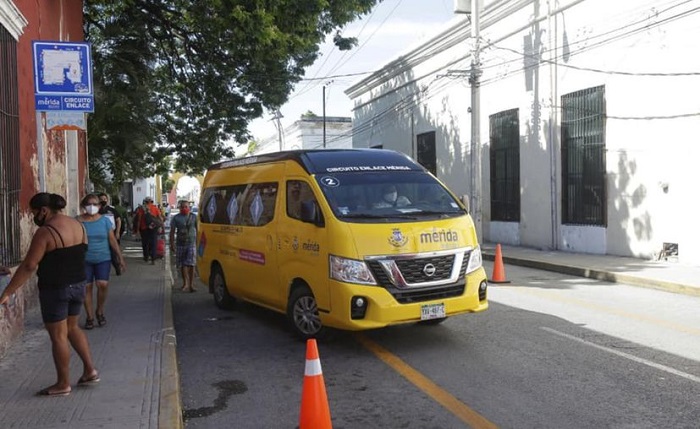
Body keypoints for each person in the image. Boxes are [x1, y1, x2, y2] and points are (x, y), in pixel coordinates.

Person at [0, 193, 100, 396]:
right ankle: (90, 370)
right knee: (72, 328)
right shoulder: (78, 225)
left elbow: (29, 265)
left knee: (58, 336)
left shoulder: (46, 232)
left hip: (56, 288)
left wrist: (8, 291)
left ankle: (63, 383)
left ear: (44, 211)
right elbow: (83, 250)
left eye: (34, 212)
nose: (34, 217)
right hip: (79, 284)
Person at [77, 193, 126, 329]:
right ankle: (90, 316)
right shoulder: (78, 221)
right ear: (83, 206)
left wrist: (120, 258)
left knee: (102, 284)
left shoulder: (105, 221)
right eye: (89, 204)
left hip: (103, 258)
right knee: (86, 287)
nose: (92, 207)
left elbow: (112, 240)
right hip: (84, 259)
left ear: (99, 206)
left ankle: (99, 310)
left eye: (95, 204)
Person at [169, 200, 198, 292]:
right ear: (179, 208)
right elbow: (172, 232)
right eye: (182, 207)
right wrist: (172, 244)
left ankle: (191, 284)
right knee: (183, 264)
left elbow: (199, 230)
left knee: (192, 264)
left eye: (186, 207)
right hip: (180, 243)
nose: (184, 209)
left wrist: (200, 243)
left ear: (189, 207)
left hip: (191, 243)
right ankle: (185, 283)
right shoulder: (176, 218)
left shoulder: (194, 217)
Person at [132, 196, 163, 264]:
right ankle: (153, 259)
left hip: (144, 229)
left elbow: (139, 220)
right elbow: (160, 218)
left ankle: (146, 257)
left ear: (145, 202)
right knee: (153, 243)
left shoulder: (141, 209)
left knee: (145, 243)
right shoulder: (155, 208)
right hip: (153, 228)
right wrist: (160, 226)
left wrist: (137, 230)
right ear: (152, 201)